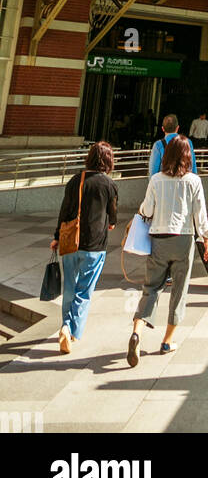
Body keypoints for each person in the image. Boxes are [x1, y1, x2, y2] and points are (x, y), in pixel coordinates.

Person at [127, 134, 208, 365]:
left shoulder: (156, 179)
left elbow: (147, 209)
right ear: (187, 156)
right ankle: (167, 341)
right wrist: (207, 239)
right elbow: (199, 214)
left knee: (151, 288)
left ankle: (137, 332)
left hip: (159, 239)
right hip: (183, 240)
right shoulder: (194, 181)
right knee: (179, 291)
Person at [51, 141, 118, 354]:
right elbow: (112, 218)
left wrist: (56, 237)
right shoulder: (109, 185)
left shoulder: (75, 181)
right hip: (95, 245)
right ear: (108, 161)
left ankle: (64, 325)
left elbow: (64, 212)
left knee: (69, 287)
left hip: (71, 242)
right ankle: (71, 331)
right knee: (84, 290)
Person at [149, 113, 197, 178]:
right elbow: (193, 168)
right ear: (177, 128)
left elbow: (153, 172)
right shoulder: (187, 142)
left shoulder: (158, 145)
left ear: (163, 129)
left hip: (165, 184)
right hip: (183, 183)